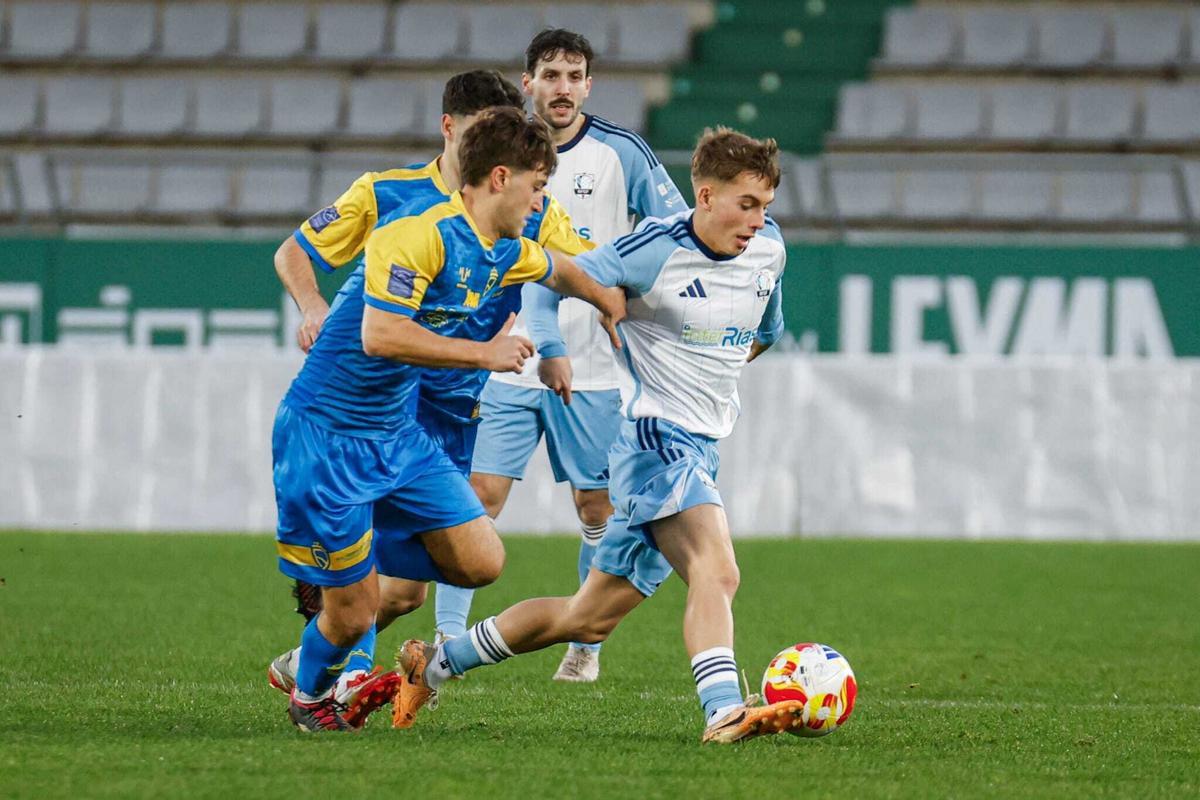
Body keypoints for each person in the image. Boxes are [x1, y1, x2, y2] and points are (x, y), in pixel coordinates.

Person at [393, 127, 801, 744]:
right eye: (746, 204)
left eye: (765, 206)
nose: (757, 219)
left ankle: (437, 664)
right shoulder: (652, 248)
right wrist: (553, 346)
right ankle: (722, 709)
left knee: (585, 617)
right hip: (654, 442)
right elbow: (550, 277)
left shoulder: (769, 249)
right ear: (706, 193)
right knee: (717, 571)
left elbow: (765, 326)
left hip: (703, 447)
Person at [273, 107, 624, 732]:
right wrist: (482, 353)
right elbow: (380, 335)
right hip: (328, 436)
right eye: (537, 185)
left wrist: (608, 301)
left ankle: (339, 582)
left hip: (398, 436)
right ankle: (309, 696)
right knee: (355, 615)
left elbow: (560, 268)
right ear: (498, 177)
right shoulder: (415, 233)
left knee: (481, 561)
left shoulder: (506, 247)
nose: (543, 199)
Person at [445, 28, 686, 683]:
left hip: (599, 369)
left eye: (574, 75)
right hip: (512, 358)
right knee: (476, 498)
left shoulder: (621, 154)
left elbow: (678, 229)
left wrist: (634, 289)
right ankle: (443, 644)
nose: (562, 86)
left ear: (588, 84)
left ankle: (586, 644)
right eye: (549, 74)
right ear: (528, 83)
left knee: (595, 509)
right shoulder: (500, 156)